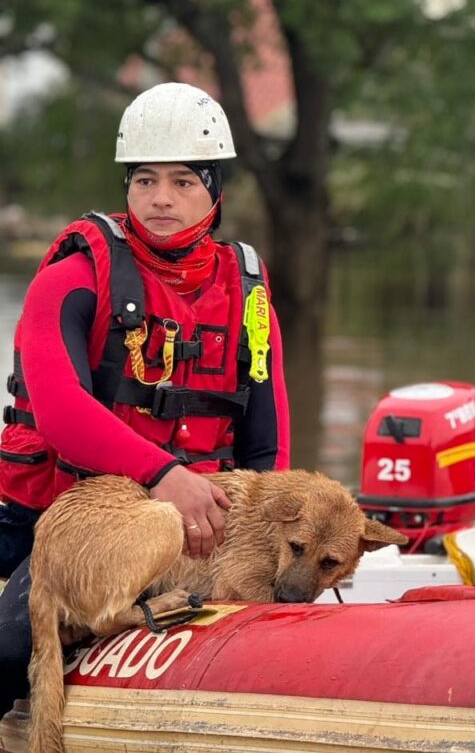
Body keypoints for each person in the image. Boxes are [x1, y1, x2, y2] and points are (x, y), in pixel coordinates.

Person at [0, 82, 290, 713]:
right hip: (64, 518)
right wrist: (166, 476)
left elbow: (266, 440)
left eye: (184, 181)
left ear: (215, 191)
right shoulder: (68, 280)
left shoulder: (248, 289)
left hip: (198, 524)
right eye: (145, 180)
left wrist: (261, 536)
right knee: (5, 648)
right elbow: (60, 413)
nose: (161, 198)